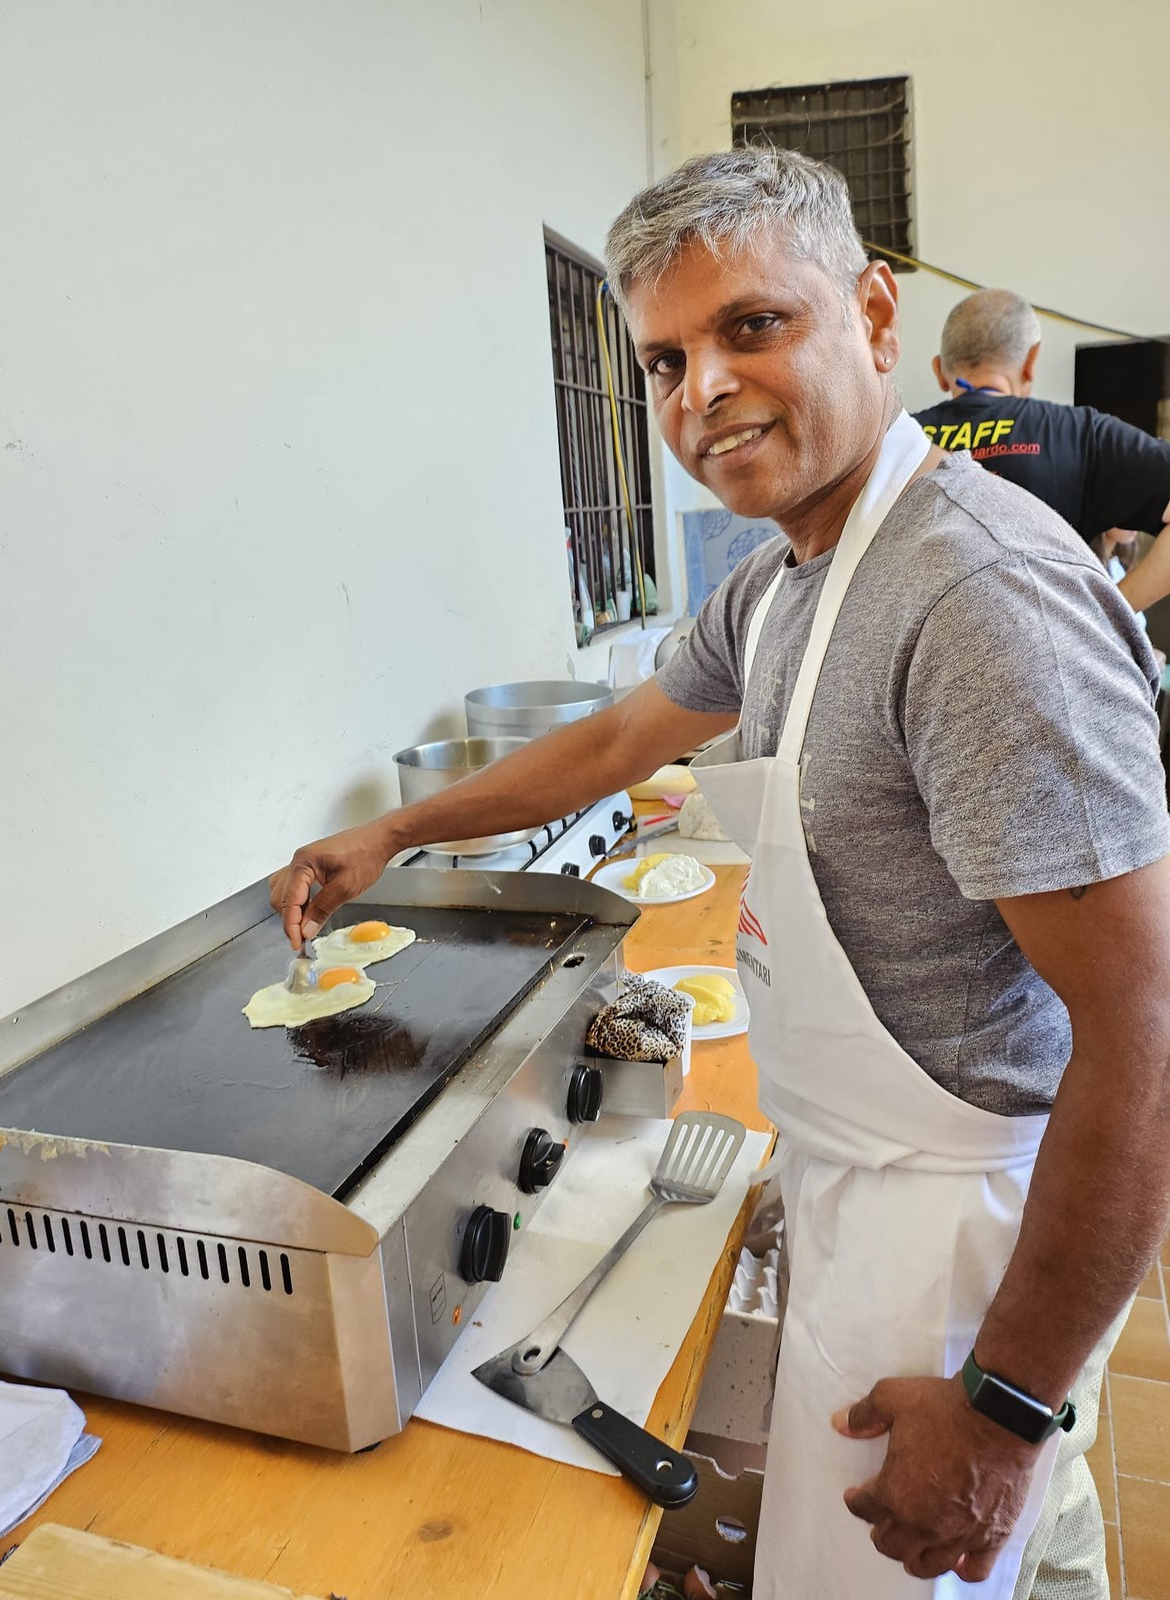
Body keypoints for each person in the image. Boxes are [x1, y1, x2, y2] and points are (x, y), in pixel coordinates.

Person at [270, 147, 1170, 1600]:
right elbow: (617, 739)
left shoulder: (979, 599)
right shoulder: (781, 578)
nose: (704, 390)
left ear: (875, 315)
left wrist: (1007, 1407)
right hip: (850, 1169)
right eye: (666, 359)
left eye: (755, 325)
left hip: (960, 1243)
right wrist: (395, 831)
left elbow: (1147, 1038)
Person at [914, 289, 1170, 611]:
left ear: (940, 371)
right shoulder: (1079, 433)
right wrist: (1107, 616)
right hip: (1047, 643)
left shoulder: (896, 441)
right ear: (1031, 362)